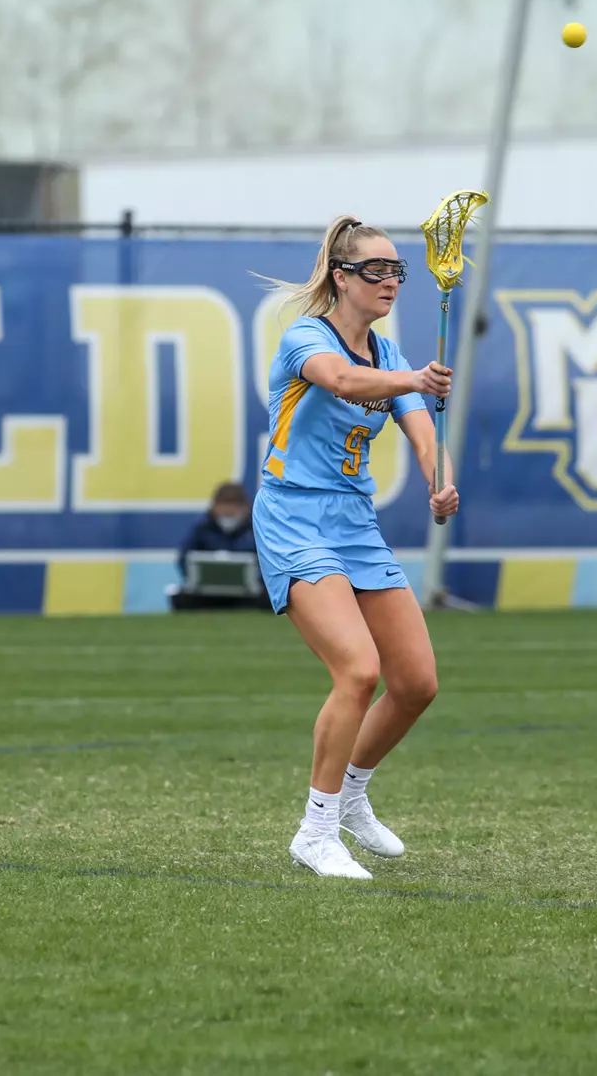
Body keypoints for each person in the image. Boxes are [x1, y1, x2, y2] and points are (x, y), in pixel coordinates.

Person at [253, 214, 459, 879]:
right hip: (293, 517)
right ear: (341, 278)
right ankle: (315, 831)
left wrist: (438, 479)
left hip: (353, 522)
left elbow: (420, 427)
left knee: (416, 683)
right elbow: (341, 382)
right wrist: (417, 383)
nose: (391, 282)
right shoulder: (306, 338)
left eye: (398, 271)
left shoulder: (391, 355)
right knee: (357, 669)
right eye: (377, 270)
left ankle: (352, 796)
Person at [169, 482, 268, 611]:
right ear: (214, 507)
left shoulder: (256, 530)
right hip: (207, 593)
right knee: (180, 598)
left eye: (233, 507)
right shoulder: (202, 528)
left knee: (269, 599)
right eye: (223, 506)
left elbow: (268, 563)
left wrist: (256, 580)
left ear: (245, 507)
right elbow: (184, 558)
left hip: (248, 594)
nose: (228, 512)